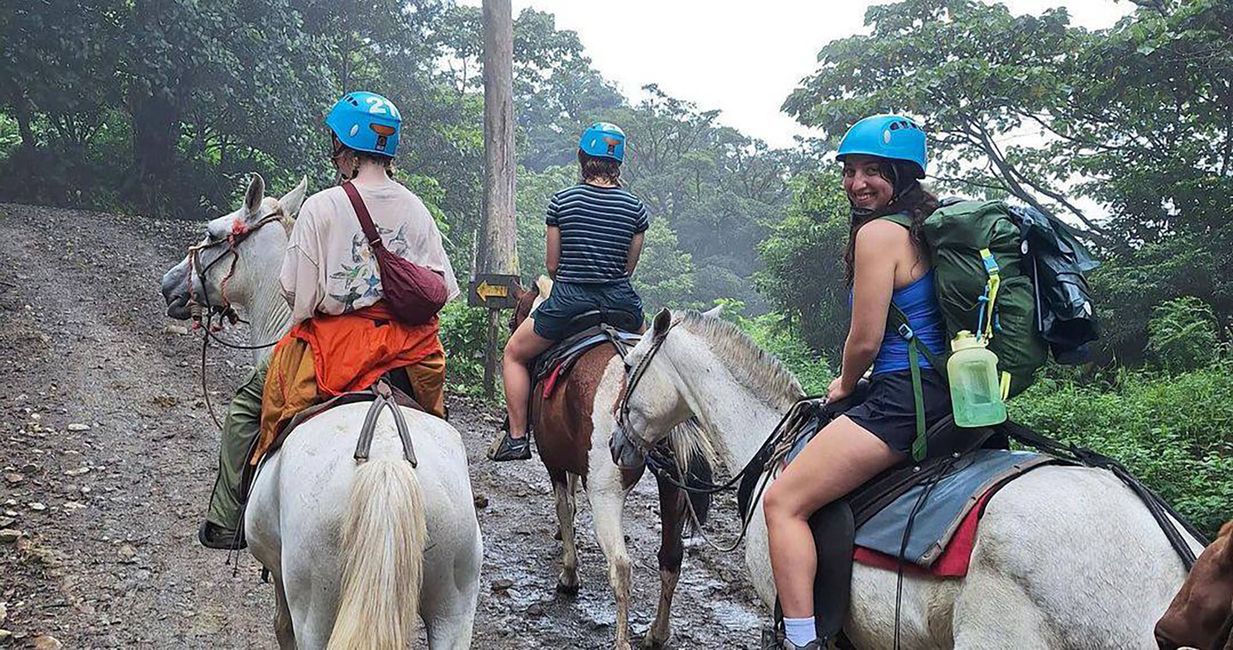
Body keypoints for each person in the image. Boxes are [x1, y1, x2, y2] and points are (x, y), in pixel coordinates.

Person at [198, 90, 459, 550]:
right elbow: (441, 290)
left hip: (333, 348)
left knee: (244, 407)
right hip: (408, 351)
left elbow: (296, 298)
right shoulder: (416, 209)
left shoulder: (322, 206)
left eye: (334, 144)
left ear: (344, 149)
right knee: (440, 432)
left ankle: (226, 519)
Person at [760, 114, 951, 649]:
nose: (857, 183)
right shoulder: (927, 227)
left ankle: (801, 639)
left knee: (783, 502)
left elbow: (864, 341)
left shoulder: (879, 234)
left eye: (874, 171)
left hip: (900, 400)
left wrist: (843, 383)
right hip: (948, 394)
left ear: (902, 175)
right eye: (850, 170)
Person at [488, 122, 648, 462]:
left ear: (582, 158)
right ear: (618, 162)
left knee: (514, 354)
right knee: (655, 362)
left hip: (570, 303)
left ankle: (516, 437)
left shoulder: (562, 202)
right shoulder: (635, 208)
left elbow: (551, 265)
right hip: (623, 305)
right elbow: (628, 267)